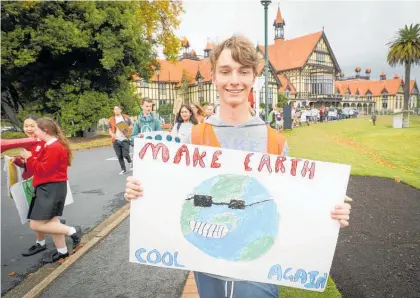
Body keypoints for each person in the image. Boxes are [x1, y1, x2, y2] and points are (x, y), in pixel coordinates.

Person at [124, 35, 351, 298]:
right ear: (214, 77)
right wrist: (141, 190)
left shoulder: (275, 141)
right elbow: (174, 195)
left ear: (253, 77)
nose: (234, 80)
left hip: (258, 270)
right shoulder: (194, 137)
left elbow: (289, 203)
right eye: (225, 71)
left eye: (243, 71)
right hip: (208, 265)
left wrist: (328, 209)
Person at [19, 118, 81, 263]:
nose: (34, 132)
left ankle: (72, 231)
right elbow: (41, 164)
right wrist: (28, 158)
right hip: (51, 187)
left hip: (50, 188)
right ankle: (62, 252)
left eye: (36, 129)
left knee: (35, 224)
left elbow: (43, 170)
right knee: (53, 222)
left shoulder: (54, 147)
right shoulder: (51, 145)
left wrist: (29, 158)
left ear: (45, 130)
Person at [12, 116, 66, 256]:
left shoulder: (46, 144)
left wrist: (29, 158)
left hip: (46, 185)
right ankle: (56, 248)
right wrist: (19, 162)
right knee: (40, 217)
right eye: (26, 126)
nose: (30, 129)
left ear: (43, 129)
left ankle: (68, 234)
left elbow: (42, 167)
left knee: (42, 219)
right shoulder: (36, 143)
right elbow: (31, 166)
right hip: (39, 183)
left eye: (33, 126)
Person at [108, 106, 133, 175]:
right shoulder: (111, 119)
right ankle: (123, 169)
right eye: (115, 109)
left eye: (118, 109)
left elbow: (131, 126)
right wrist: (112, 134)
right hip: (116, 140)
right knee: (119, 156)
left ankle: (130, 161)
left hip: (125, 138)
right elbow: (109, 129)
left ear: (121, 110)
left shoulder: (126, 117)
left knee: (125, 154)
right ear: (113, 111)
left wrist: (125, 128)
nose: (116, 110)